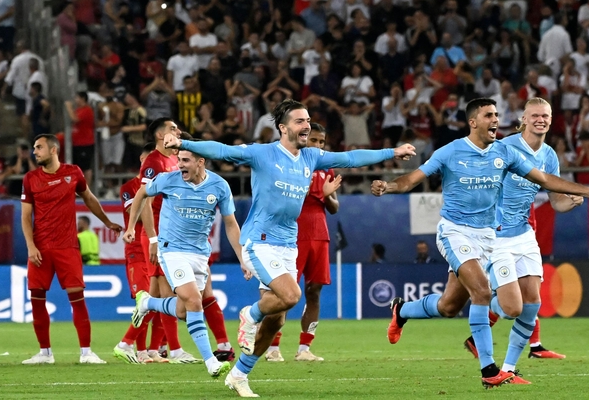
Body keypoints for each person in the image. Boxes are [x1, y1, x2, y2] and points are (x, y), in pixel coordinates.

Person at [162, 99, 416, 397]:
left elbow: (349, 157)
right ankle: (250, 314)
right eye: (299, 121)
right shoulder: (263, 153)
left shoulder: (310, 157)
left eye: (307, 120)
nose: (306, 125)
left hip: (287, 244)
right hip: (260, 241)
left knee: (279, 318)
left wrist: (392, 152)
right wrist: (179, 143)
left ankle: (240, 374)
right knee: (292, 295)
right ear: (283, 128)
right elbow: (222, 150)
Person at [371, 98, 589, 388]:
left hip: (487, 236)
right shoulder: (451, 151)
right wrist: (390, 185)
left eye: (497, 114)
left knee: (448, 305)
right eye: (489, 115)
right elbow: (412, 179)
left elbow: (544, 179)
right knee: (483, 292)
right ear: (473, 122)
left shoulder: (503, 153)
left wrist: (586, 191)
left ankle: (402, 310)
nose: (496, 119)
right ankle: (490, 372)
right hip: (455, 231)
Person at [462, 97, 577, 374]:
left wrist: (570, 201)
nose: (541, 119)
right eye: (535, 115)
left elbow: (556, 201)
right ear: (523, 119)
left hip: (525, 236)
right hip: (497, 237)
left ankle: (509, 370)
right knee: (511, 308)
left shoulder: (549, 156)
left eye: (546, 115)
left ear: (551, 120)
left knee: (532, 305)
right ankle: (481, 304)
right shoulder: (503, 147)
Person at [125, 141, 248, 378]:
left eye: (185, 161)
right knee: (193, 301)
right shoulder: (168, 179)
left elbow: (231, 224)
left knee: (183, 311)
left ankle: (148, 303)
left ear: (201, 162)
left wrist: (242, 258)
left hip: (200, 254)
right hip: (172, 250)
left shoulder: (219, 186)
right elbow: (141, 193)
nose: (179, 165)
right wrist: (132, 226)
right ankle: (211, 362)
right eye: (178, 160)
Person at [21, 134, 122, 365]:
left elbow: (89, 198)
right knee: (37, 299)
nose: (35, 151)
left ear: (53, 150)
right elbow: (26, 217)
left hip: (67, 246)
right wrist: (30, 246)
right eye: (34, 147)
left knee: (77, 298)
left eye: (39, 147)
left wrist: (107, 222)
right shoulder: (30, 178)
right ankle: (45, 353)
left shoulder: (73, 172)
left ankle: (87, 352)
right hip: (41, 249)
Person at [266, 123, 341, 362]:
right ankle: (272, 347)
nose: (318, 146)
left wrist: (328, 195)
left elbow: (334, 208)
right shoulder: (290, 165)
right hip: (293, 234)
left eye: (322, 142)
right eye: (314, 141)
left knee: (314, 291)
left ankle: (304, 349)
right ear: (304, 140)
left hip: (319, 234)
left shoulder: (326, 169)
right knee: (286, 293)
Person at [137, 117, 200, 364]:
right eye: (173, 128)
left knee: (155, 295)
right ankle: (173, 350)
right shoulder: (153, 162)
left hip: (171, 234)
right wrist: (153, 238)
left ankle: (142, 347)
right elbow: (144, 200)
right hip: (158, 236)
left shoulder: (174, 159)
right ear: (161, 135)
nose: (178, 130)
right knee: (166, 293)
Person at [113, 144, 159, 364]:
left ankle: (154, 350)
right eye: (148, 159)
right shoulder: (129, 187)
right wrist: (150, 198)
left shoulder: (165, 183)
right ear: (142, 160)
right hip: (137, 252)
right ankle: (138, 350)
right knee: (145, 301)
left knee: (161, 300)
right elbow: (135, 212)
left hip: (158, 248)